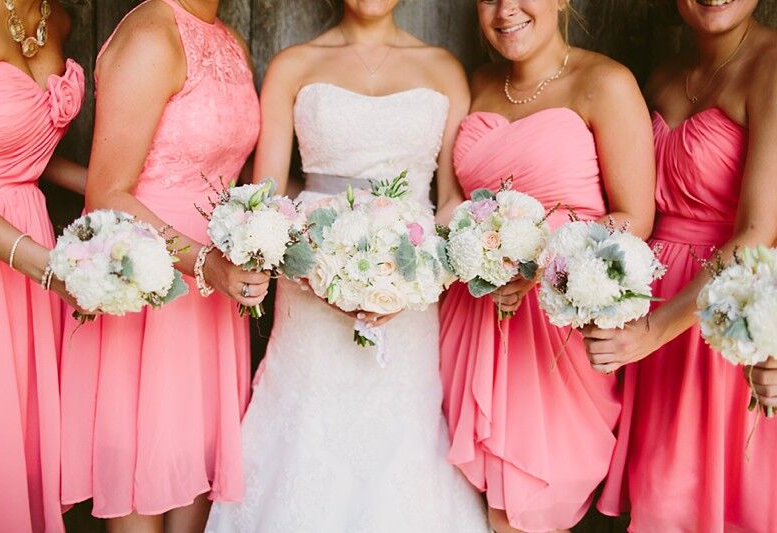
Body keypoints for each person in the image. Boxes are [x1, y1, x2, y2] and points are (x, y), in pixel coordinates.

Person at [205, 1, 490, 531]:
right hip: (311, 288)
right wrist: (317, 272)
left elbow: (450, 201)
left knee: (399, 435)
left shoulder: (444, 69)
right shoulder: (294, 65)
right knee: (311, 430)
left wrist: (417, 280)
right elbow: (265, 200)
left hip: (413, 290)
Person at [439, 1, 656, 531]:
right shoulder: (478, 84)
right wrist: (479, 263)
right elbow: (450, 207)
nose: (505, 10)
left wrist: (540, 259)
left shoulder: (605, 83)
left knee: (532, 511)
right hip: (471, 320)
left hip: (554, 335)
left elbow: (636, 218)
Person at [58, 1, 268, 531]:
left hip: (212, 300)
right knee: (142, 485)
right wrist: (204, 265)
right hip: (153, 284)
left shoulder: (227, 38)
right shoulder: (152, 35)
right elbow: (108, 195)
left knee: (193, 489)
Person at [581, 1, 777, 531]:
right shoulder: (662, 73)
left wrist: (655, 330)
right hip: (650, 305)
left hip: (716, 315)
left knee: (705, 502)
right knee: (659, 497)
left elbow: (760, 232)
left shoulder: (772, 67)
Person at [0, 1, 86, 531]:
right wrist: (42, 265)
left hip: (33, 252)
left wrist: (114, 188)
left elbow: (20, 155)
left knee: (20, 444)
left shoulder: (59, 17)